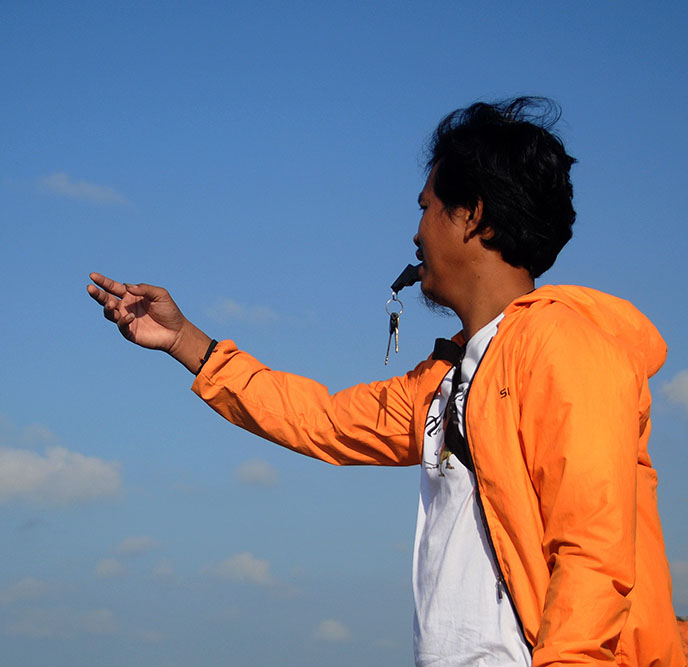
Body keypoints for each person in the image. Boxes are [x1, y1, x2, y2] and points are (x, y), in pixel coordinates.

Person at [86, 98, 685, 666]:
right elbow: (321, 421)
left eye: (425, 206)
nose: (416, 231)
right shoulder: (448, 379)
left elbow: (593, 549)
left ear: (472, 216)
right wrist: (184, 340)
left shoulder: (565, 345)